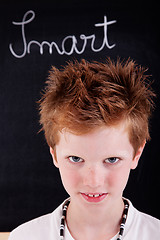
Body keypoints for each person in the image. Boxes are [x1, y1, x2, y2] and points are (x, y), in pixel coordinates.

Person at [9, 58, 160, 240]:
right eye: (75, 159)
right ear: (54, 154)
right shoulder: (24, 237)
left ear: (137, 154)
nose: (93, 182)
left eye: (111, 160)